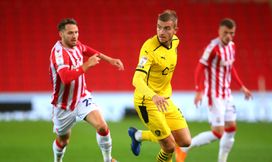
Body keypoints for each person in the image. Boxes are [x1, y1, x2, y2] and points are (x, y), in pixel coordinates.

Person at [175, 18, 253, 162]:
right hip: (214, 95)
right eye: (226, 33)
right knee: (218, 132)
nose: (229, 36)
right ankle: (183, 148)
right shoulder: (212, 48)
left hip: (227, 94)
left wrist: (242, 86)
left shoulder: (232, 46)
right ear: (219, 31)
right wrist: (199, 90)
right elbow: (199, 68)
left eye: (232, 33)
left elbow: (230, 68)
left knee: (231, 129)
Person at [49, 18, 124, 162]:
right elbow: (65, 77)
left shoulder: (76, 45)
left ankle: (108, 160)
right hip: (63, 105)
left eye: (76, 32)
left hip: (82, 97)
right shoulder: (58, 53)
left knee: (102, 127)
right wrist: (86, 65)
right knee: (63, 141)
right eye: (70, 33)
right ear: (61, 34)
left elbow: (87, 49)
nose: (75, 36)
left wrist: (109, 59)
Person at [128, 10, 192, 162]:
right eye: (159, 27)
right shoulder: (149, 48)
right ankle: (141, 136)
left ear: (175, 30)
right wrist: (153, 95)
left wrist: (160, 95)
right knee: (169, 146)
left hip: (164, 99)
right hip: (147, 101)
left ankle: (138, 135)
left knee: (185, 141)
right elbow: (136, 79)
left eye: (166, 28)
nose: (161, 32)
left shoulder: (175, 42)